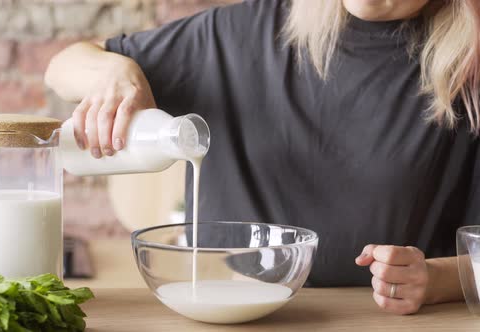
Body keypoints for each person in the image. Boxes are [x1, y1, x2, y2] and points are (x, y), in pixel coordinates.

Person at [45, 0, 480, 315]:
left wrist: (440, 279)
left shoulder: (469, 67)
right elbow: (63, 66)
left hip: (391, 322)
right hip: (223, 313)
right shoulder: (236, 35)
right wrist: (116, 72)